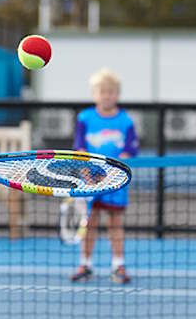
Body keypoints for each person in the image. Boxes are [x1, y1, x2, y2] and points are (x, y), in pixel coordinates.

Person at [70, 68, 138, 284]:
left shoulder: (126, 121)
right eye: (102, 91)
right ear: (95, 94)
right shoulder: (85, 118)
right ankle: (85, 264)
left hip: (116, 183)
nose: (107, 96)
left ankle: (118, 265)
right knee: (88, 223)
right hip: (88, 181)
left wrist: (111, 177)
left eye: (111, 92)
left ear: (117, 94)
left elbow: (129, 151)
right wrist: (86, 175)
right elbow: (79, 149)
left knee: (115, 223)